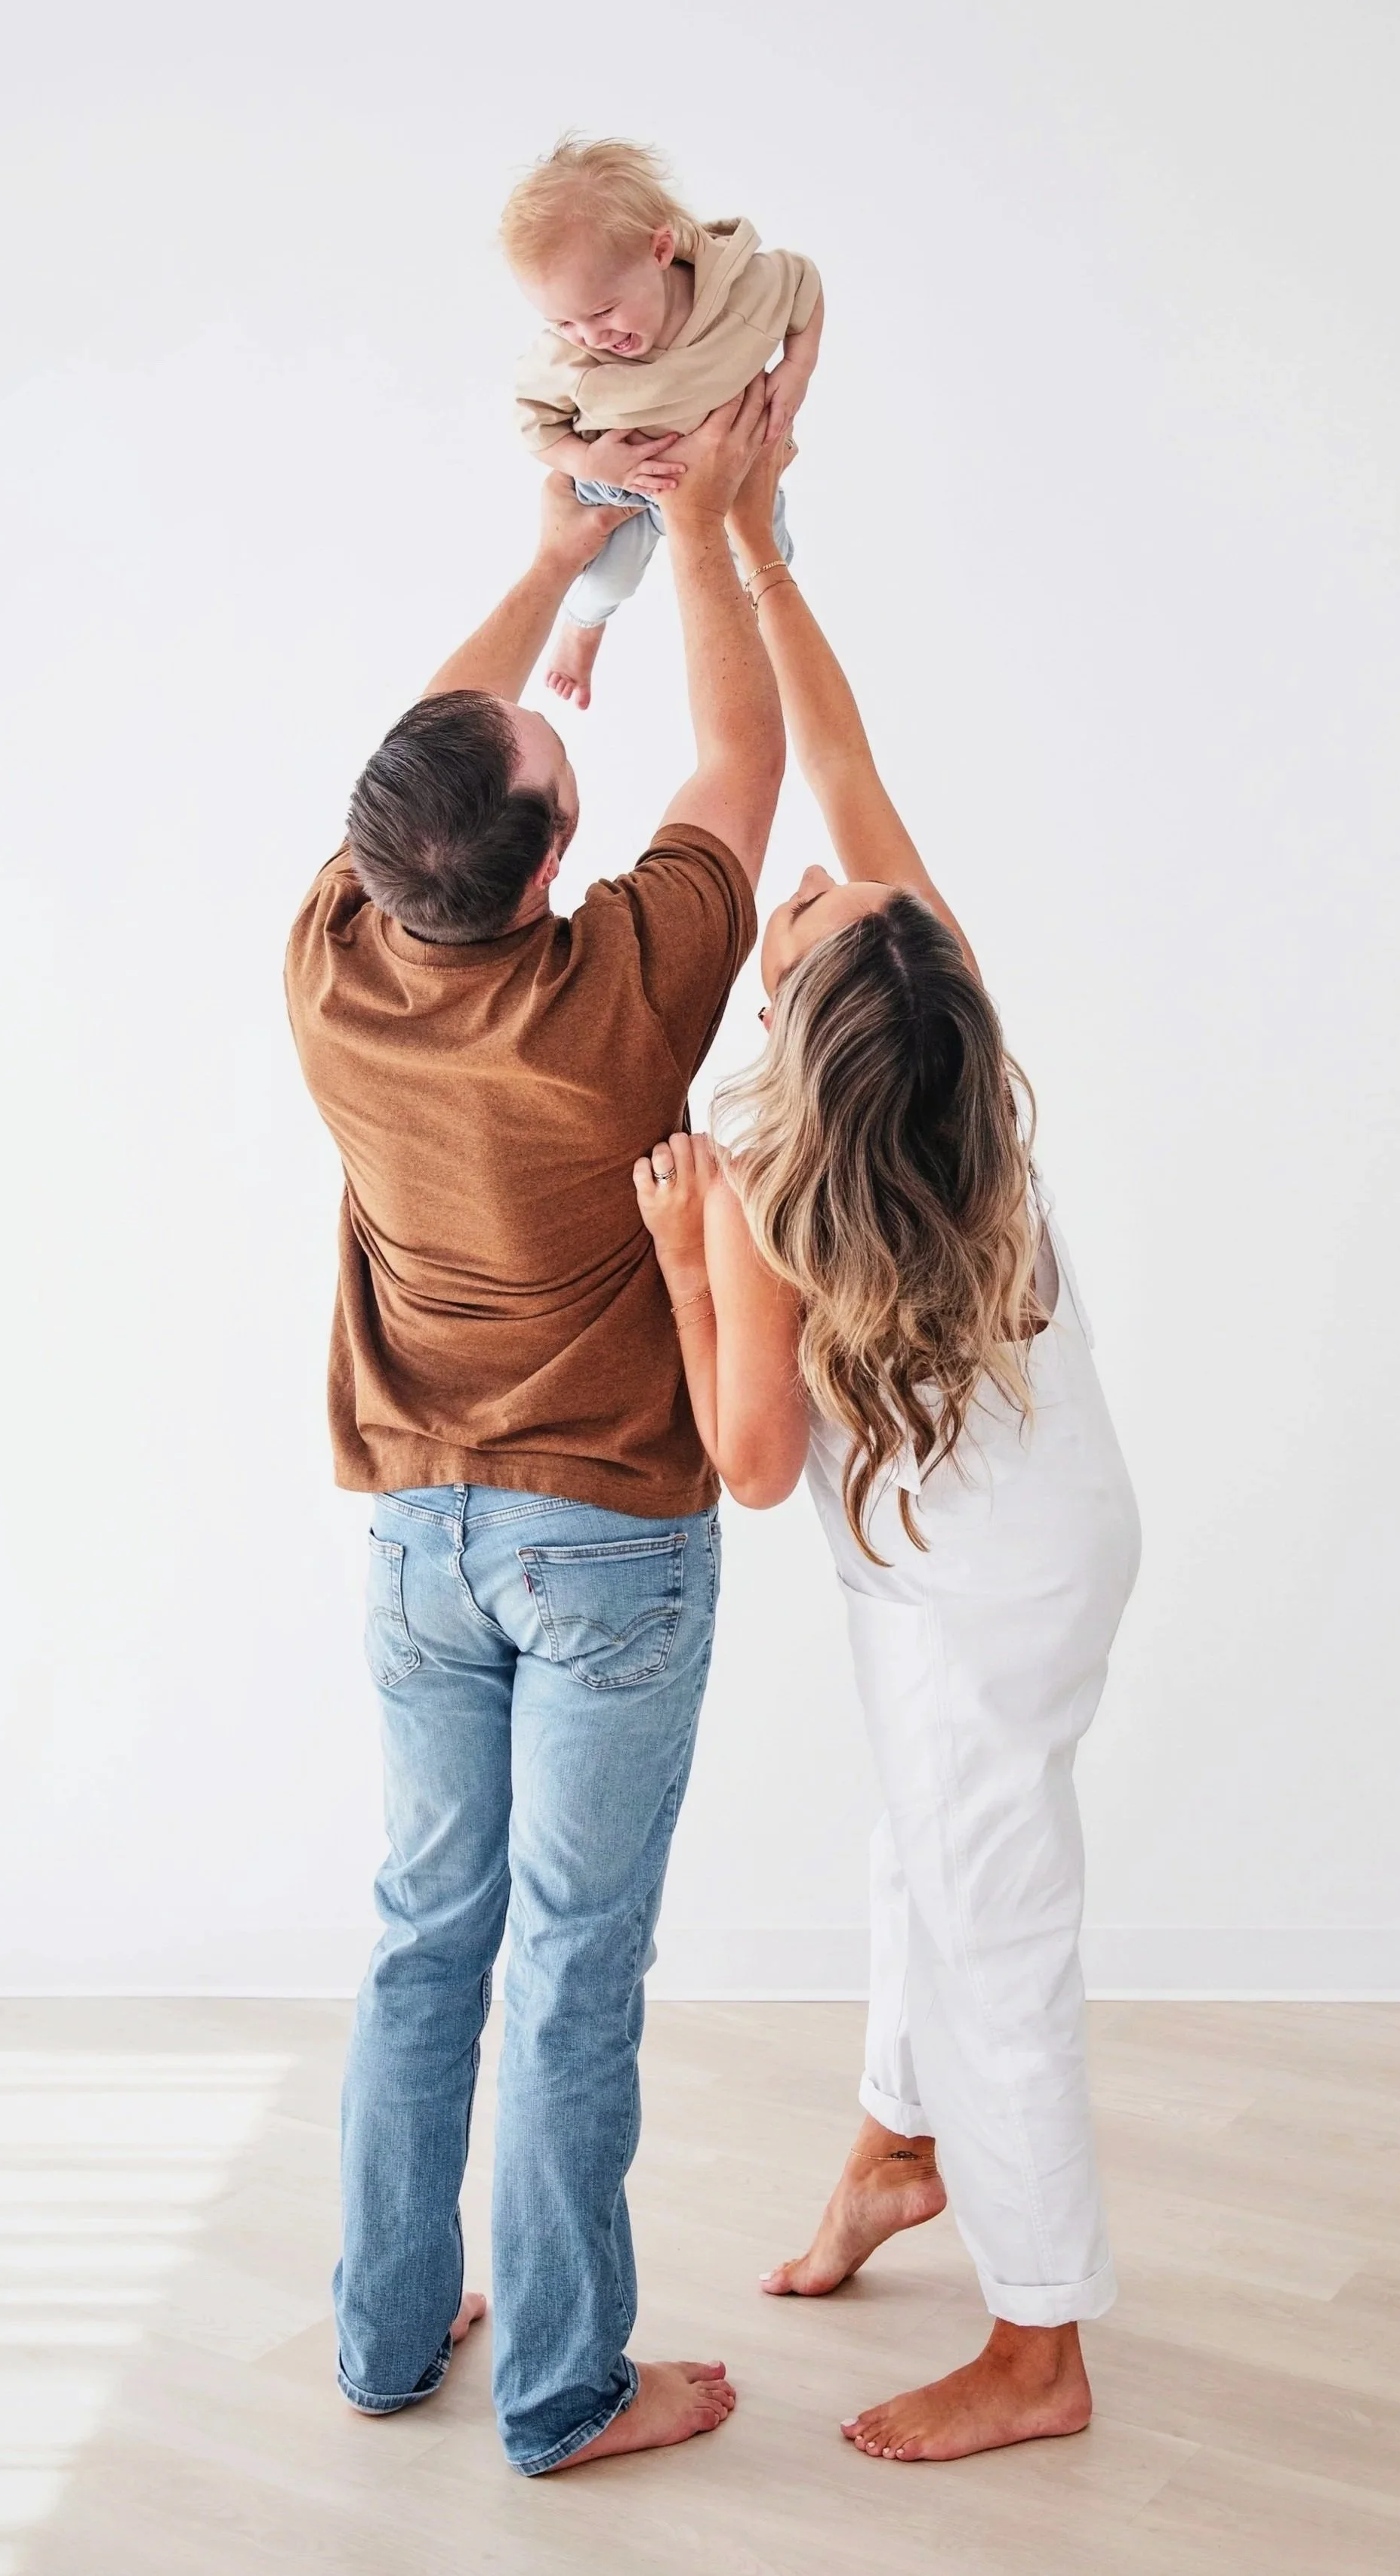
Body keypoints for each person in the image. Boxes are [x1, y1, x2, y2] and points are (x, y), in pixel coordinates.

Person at [284, 381, 785, 2476]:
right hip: (603, 1542)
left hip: (415, 1532)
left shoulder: (332, 965)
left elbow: (419, 761)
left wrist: (557, 556)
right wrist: (726, 524)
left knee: (425, 1932)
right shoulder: (622, 990)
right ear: (555, 854)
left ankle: (393, 2336)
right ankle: (566, 2386)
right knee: (573, 1961)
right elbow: (746, 760)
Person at [633, 440, 1142, 2466]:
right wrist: (748, 542)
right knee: (916, 1848)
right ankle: (891, 2141)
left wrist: (685, 1262)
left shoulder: (761, 1186)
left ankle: (1039, 2341)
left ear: (809, 1027)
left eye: (816, 909)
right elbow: (838, 759)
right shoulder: (951, 1040)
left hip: (972, 1574)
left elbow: (749, 1460)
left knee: (992, 1922)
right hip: (1038, 1529)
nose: (812, 883)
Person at [501, 134, 824, 709]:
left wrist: (798, 368)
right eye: (565, 323)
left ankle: (766, 648)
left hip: (734, 477)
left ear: (660, 250)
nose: (592, 336)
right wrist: (587, 460)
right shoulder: (567, 360)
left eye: (602, 311)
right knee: (608, 578)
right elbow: (534, 425)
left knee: (771, 559)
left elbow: (805, 281)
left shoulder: (741, 291)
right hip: (625, 480)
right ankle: (581, 631)